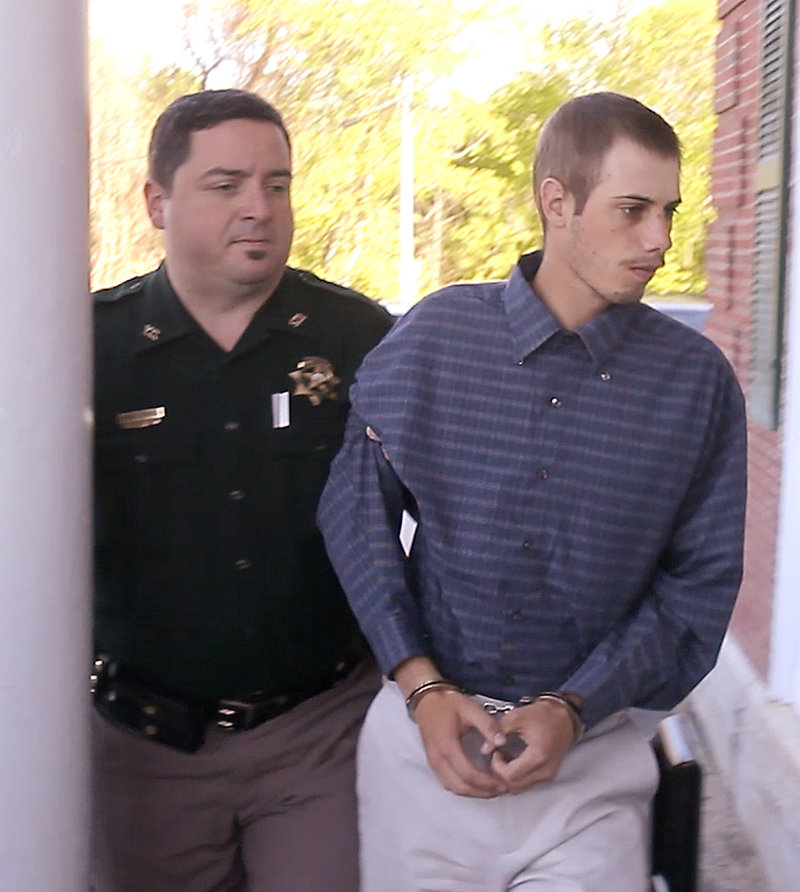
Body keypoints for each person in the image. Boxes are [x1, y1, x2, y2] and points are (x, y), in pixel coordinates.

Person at [318, 92, 747, 892]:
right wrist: (421, 683)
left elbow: (697, 588)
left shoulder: (698, 387)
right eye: (632, 210)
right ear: (557, 201)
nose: (659, 239)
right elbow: (354, 512)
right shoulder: (436, 340)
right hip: (422, 757)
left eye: (669, 211)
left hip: (593, 770)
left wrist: (576, 704)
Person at [91, 89, 393, 892]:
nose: (259, 209)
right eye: (226, 186)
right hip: (143, 753)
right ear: (158, 200)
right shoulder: (87, 348)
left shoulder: (359, 341)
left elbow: (455, 509)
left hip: (319, 735)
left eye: (278, 184)